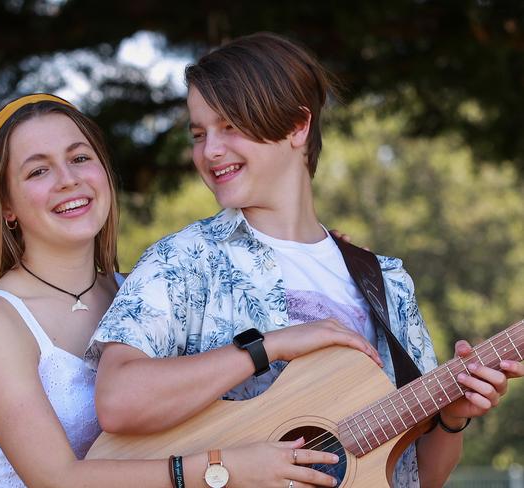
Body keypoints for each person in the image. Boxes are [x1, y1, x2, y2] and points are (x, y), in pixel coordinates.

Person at [87, 33, 524, 487]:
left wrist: (451, 418)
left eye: (230, 127)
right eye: (199, 134)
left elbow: (416, 477)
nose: (209, 151)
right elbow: (118, 400)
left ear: (297, 126)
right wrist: (268, 346)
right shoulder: (185, 260)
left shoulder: (387, 282)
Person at [0, 93, 348, 487]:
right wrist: (221, 469)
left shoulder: (142, 294)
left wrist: (324, 260)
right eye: (38, 171)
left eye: (79, 158)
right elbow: (58, 479)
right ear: (6, 205)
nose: (68, 179)